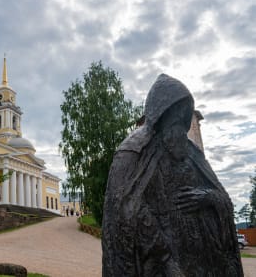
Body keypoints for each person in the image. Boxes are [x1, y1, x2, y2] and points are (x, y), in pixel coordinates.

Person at [102, 74, 243, 277]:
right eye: (173, 114)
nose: (179, 124)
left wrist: (208, 197)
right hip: (162, 263)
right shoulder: (134, 151)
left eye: (183, 115)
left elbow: (223, 199)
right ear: (161, 114)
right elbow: (124, 208)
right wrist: (165, 257)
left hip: (203, 261)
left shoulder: (192, 153)